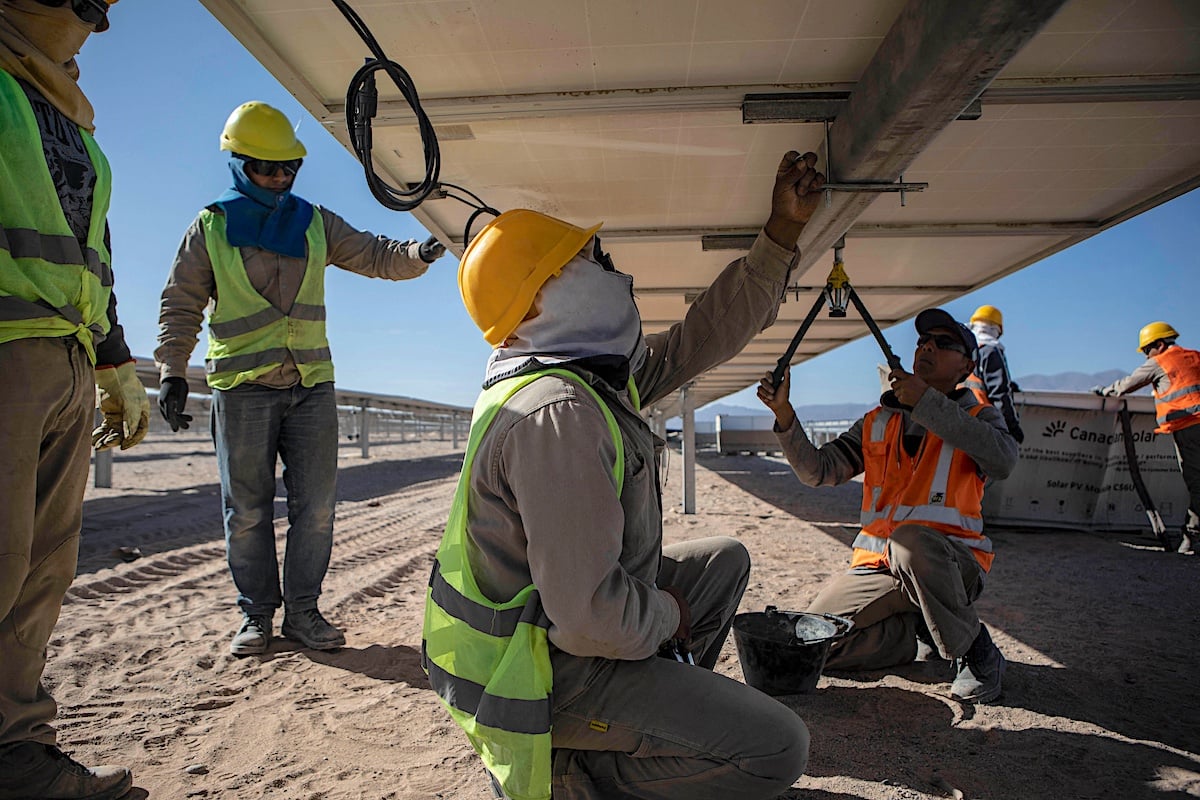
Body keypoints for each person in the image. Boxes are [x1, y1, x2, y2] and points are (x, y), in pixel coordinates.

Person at [422, 152, 825, 800]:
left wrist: (779, 236)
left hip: (554, 626)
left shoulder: (592, 379)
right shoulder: (558, 414)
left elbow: (703, 336)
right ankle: (584, 775)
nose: (614, 273)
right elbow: (585, 619)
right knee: (780, 748)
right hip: (534, 670)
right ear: (535, 307)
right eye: (589, 263)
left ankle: (652, 723)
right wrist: (664, 614)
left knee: (721, 564)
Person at [155, 100, 446, 657]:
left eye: (290, 167)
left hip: (311, 386)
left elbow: (375, 253)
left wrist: (422, 251)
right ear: (240, 164)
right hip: (241, 390)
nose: (280, 177)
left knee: (315, 509)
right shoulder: (211, 228)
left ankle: (304, 614)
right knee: (247, 511)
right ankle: (256, 616)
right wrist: (172, 370)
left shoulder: (313, 222)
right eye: (268, 168)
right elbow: (181, 304)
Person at [0, 1, 149, 797]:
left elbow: (92, 246)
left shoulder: (66, 109)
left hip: (61, 355)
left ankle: (16, 754)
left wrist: (112, 357)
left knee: (37, 575)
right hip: (4, 349)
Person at [757, 309, 1019, 704]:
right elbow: (818, 471)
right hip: (880, 569)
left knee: (911, 540)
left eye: (943, 342)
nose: (927, 346)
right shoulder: (877, 421)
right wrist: (784, 414)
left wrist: (927, 403)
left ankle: (977, 653)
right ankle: (915, 635)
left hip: (948, 566)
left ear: (967, 365)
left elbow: (1003, 459)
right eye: (922, 341)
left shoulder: (978, 416)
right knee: (809, 643)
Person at [1096, 321, 1200, 554]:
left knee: (1197, 483)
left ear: (1159, 345)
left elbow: (1125, 386)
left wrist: (1104, 391)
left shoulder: (1159, 362)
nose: (1145, 357)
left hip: (1190, 427)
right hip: (1193, 424)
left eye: (1146, 351)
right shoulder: (1194, 356)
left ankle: (1193, 537)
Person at [964, 304, 1023, 443]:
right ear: (997, 329)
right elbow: (999, 395)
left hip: (960, 420)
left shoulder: (964, 351)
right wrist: (1012, 428)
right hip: (984, 424)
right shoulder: (990, 352)